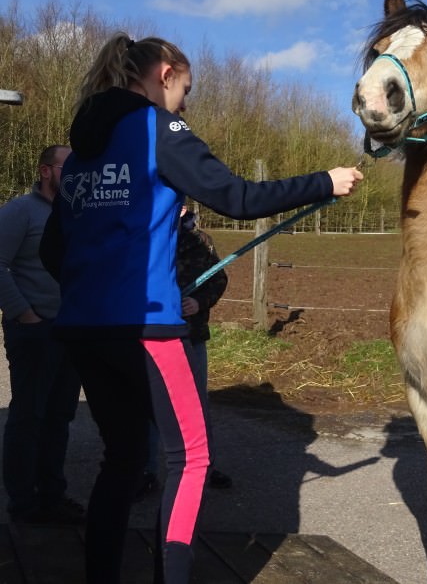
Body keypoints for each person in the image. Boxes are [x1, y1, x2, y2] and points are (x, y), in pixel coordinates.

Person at [39, 33, 363, 584]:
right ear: (164, 74)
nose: (185, 104)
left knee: (121, 456)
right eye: (185, 89)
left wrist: (94, 285)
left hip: (83, 329)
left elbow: (53, 249)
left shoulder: (85, 151)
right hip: (147, 328)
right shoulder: (157, 128)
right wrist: (323, 184)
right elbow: (236, 198)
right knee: (189, 458)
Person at [0, 145, 84, 524]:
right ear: (46, 171)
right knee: (29, 416)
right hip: (35, 331)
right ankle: (23, 504)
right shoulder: (20, 211)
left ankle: (53, 494)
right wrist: (25, 313)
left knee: (60, 415)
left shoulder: (76, 214)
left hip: (71, 331)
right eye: (67, 166)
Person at [135, 205, 231, 499]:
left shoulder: (200, 241)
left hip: (191, 334)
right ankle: (146, 471)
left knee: (196, 403)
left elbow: (218, 279)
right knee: (148, 405)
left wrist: (199, 303)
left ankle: (205, 466)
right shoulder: (143, 238)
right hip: (150, 336)